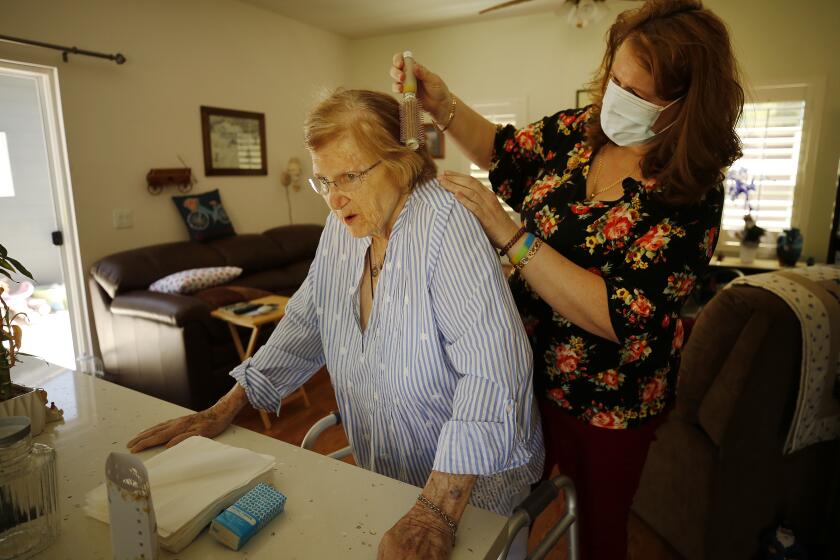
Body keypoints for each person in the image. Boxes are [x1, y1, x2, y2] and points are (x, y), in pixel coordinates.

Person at [390, 1, 743, 558]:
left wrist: (509, 233)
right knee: (506, 505)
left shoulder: (692, 192)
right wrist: (442, 106)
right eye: (615, 80)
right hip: (523, 370)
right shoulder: (581, 131)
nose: (617, 100)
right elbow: (504, 153)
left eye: (639, 95)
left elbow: (620, 314)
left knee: (598, 532)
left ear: (685, 107)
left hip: (609, 401)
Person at [128, 89, 544, 560]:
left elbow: (494, 370)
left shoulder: (447, 224)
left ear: (402, 161)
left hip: (470, 500)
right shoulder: (345, 226)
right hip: (385, 478)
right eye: (323, 181)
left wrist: (437, 510)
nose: (334, 198)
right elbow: (309, 316)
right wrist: (221, 410)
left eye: (348, 176)